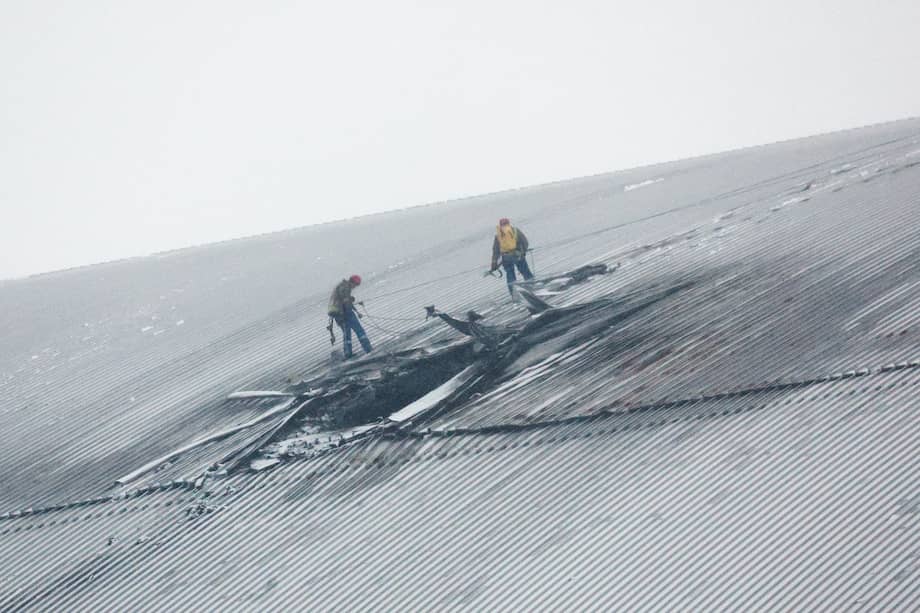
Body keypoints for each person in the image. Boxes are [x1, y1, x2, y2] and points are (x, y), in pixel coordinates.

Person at [327, 274, 372, 359]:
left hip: (336, 314)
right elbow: (345, 301)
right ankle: (368, 349)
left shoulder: (341, 286)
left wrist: (353, 306)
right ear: (353, 282)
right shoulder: (345, 287)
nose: (355, 287)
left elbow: (342, 299)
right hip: (344, 313)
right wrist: (354, 309)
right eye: (356, 285)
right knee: (359, 330)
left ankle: (348, 354)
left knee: (347, 333)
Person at [490, 217, 534, 295]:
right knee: (525, 272)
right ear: (509, 223)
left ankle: (514, 294)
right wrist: (523, 252)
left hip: (506, 258)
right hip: (518, 255)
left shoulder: (498, 236)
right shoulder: (515, 231)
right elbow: (525, 242)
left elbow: (496, 251)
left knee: (510, 275)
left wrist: (494, 263)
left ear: (500, 225)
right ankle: (532, 287)